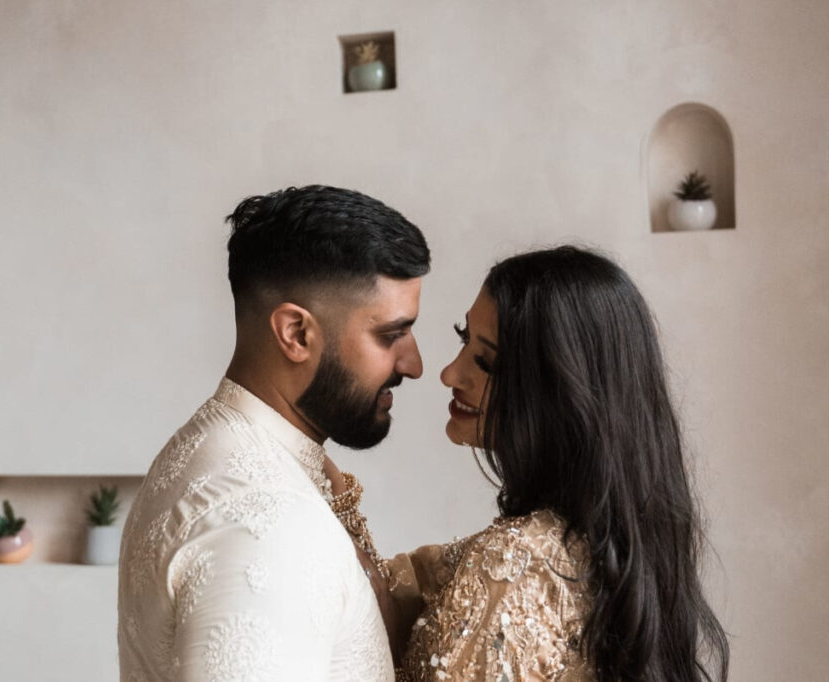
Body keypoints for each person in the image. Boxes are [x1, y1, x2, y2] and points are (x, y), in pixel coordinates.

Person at [118, 185, 430, 681]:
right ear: (296, 334)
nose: (413, 365)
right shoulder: (263, 519)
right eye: (391, 335)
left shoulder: (213, 447)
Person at [388, 246, 730, 682]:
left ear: (562, 390)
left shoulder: (515, 563)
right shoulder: (621, 552)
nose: (449, 374)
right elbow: (389, 589)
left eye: (486, 361)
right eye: (463, 338)